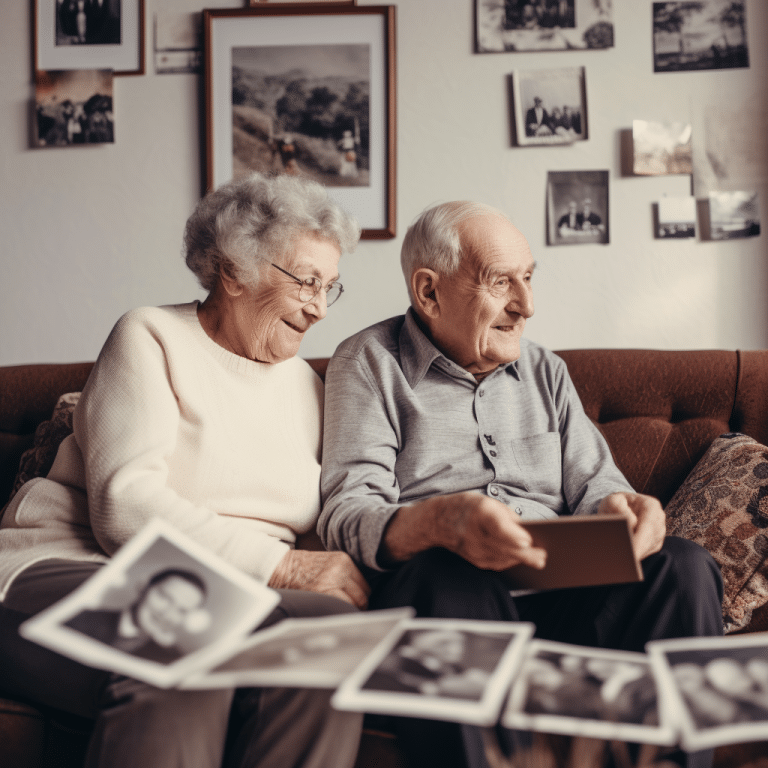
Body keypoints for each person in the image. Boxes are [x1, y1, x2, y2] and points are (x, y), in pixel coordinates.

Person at [318, 200, 724, 768]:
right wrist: (442, 522)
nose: (526, 305)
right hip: (447, 596)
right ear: (429, 292)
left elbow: (596, 485)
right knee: (447, 574)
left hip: (561, 599)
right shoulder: (367, 363)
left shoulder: (544, 370)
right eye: (500, 282)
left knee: (684, 567)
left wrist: (624, 508)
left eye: (528, 278)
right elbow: (346, 512)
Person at [0, 171, 369, 768]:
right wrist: (285, 566)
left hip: (228, 596)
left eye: (331, 287)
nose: (321, 309)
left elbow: (316, 518)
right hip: (72, 567)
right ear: (233, 271)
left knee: (325, 640)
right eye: (305, 281)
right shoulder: (150, 336)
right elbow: (126, 506)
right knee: (184, 659)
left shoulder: (311, 386)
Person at [65, 568, 209, 664]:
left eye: (181, 611)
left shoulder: (173, 660)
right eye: (164, 597)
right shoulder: (80, 618)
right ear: (143, 588)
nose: (166, 614)